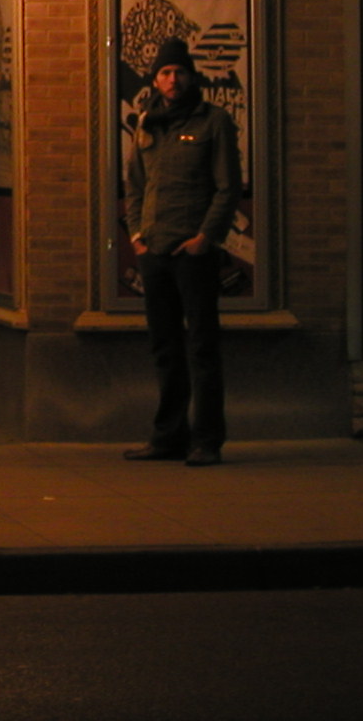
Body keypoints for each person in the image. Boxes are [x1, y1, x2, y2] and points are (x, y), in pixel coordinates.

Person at [122, 37, 242, 467]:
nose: (172, 80)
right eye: (165, 73)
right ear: (155, 79)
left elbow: (228, 188)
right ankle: (168, 436)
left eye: (179, 73)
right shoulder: (146, 123)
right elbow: (134, 186)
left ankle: (207, 440)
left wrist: (204, 238)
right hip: (154, 251)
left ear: (192, 76)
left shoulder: (214, 122)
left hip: (193, 253)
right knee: (165, 347)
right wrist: (137, 236)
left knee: (202, 348)